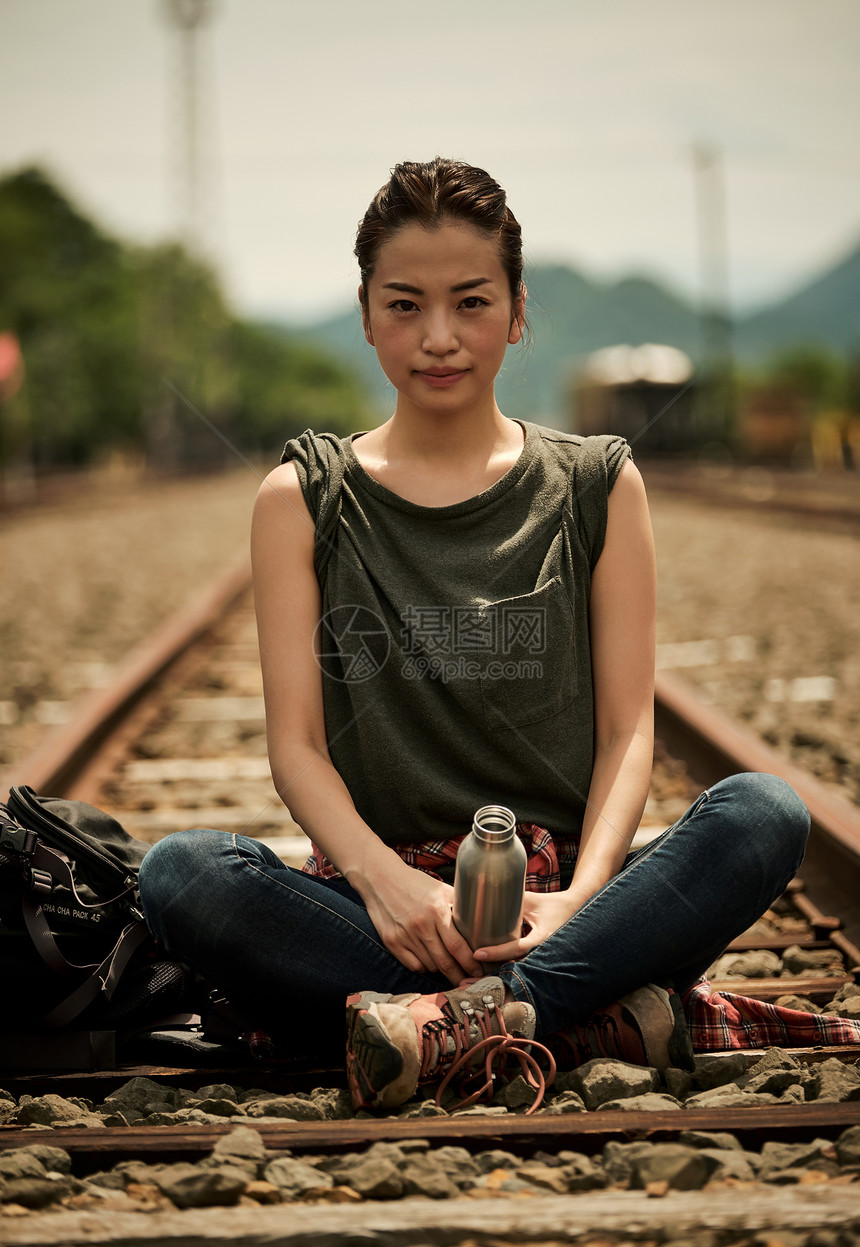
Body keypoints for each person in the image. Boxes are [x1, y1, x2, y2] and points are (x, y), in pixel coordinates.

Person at [138, 157, 812, 1114]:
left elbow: (628, 732)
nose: (440, 338)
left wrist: (576, 902)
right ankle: (589, 1016)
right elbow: (294, 748)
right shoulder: (304, 496)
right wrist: (388, 888)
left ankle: (444, 1028)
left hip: (559, 908)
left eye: (472, 302)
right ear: (367, 310)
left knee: (763, 815)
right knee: (185, 876)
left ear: (518, 310)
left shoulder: (597, 484)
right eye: (406, 305)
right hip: (381, 911)